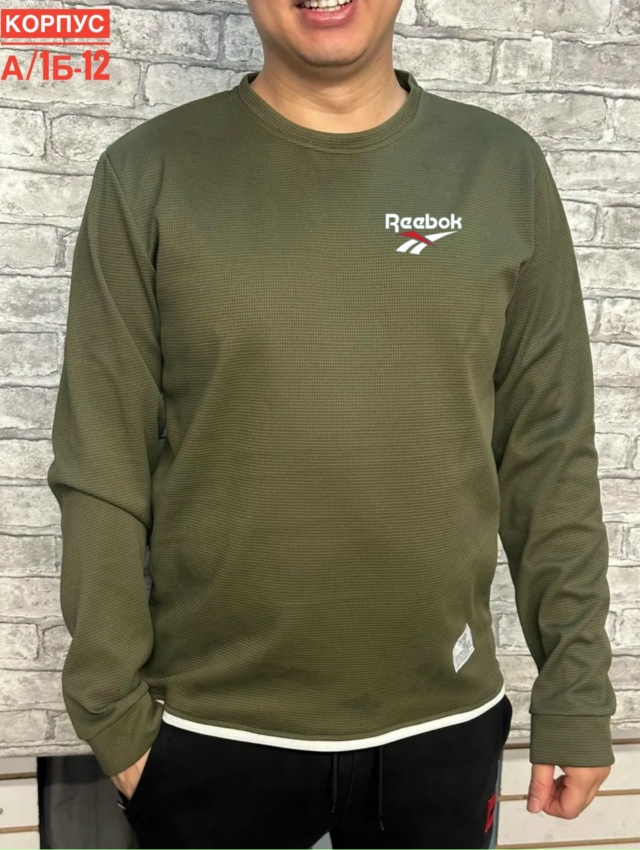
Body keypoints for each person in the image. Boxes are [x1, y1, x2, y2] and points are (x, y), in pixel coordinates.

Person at [46, 0, 617, 847]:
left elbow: (549, 449)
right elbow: (101, 459)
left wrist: (576, 692)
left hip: (443, 727)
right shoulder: (148, 173)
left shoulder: (501, 169)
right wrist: (114, 717)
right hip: (208, 733)